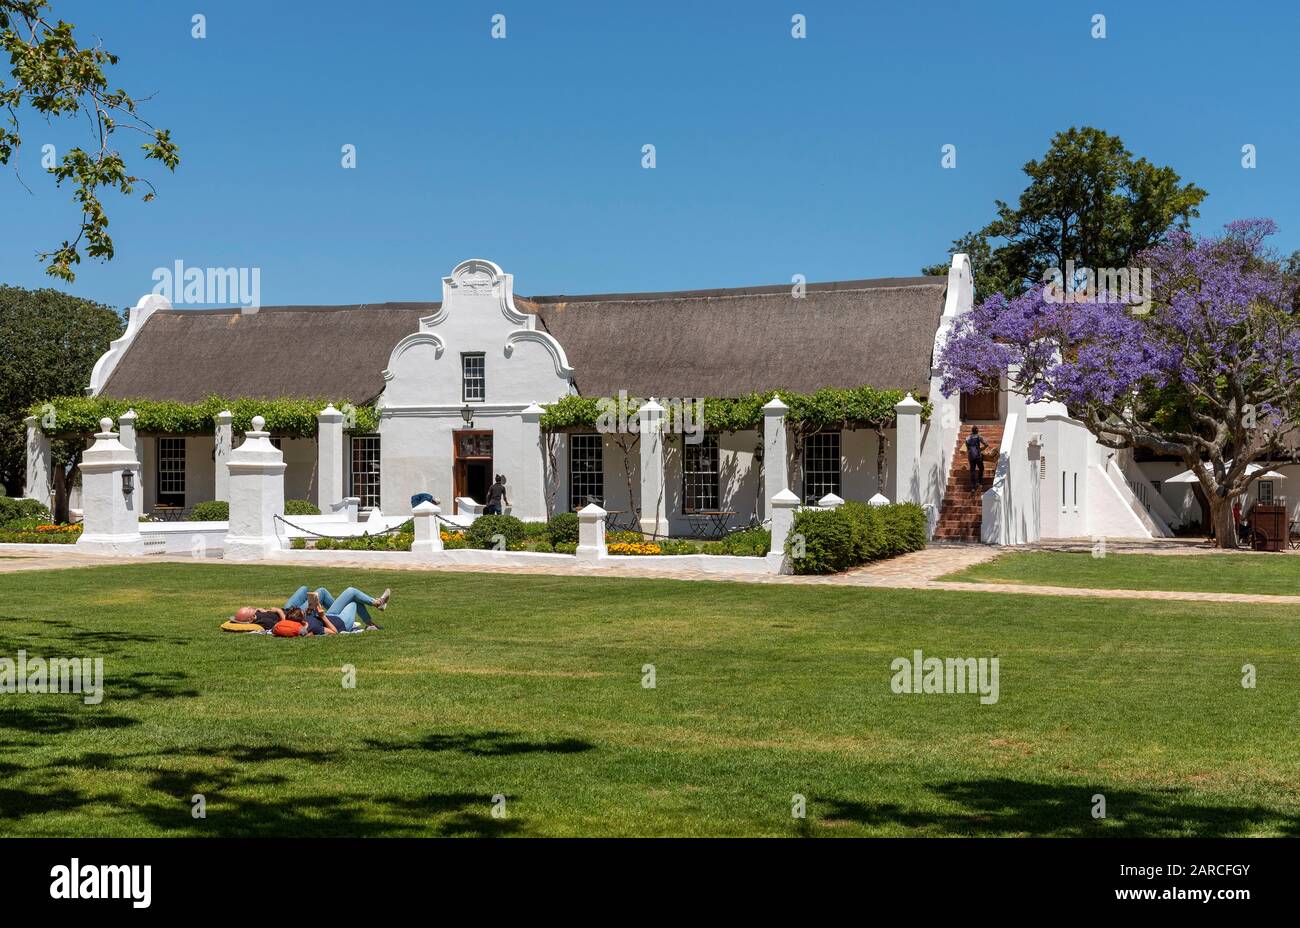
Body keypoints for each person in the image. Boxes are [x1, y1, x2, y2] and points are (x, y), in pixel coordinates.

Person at [304, 586, 390, 632]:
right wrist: (323, 617)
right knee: (353, 596)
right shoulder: (309, 627)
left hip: (330, 615)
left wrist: (314, 606)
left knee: (351, 592)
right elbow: (334, 632)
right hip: (341, 623)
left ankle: (372, 623)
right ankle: (378, 604)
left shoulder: (303, 619)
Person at [965, 426, 989, 491]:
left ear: (972, 431)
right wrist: (980, 449)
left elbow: (967, 448)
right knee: (981, 468)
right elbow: (986, 444)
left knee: (972, 471)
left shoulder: (967, 438)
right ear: (977, 431)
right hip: (978, 456)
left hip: (971, 457)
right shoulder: (979, 437)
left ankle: (973, 487)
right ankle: (979, 481)